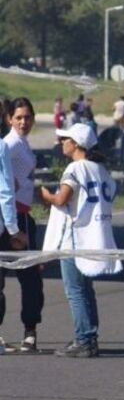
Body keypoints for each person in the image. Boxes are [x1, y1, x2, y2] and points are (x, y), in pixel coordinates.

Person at [41, 124, 122, 358]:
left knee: (75, 291)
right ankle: (89, 336)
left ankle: (84, 339)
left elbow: (62, 198)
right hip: (95, 236)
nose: (61, 142)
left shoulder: (75, 169)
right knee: (86, 289)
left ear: (75, 143)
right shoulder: (101, 170)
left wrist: (47, 196)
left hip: (74, 238)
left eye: (65, 139)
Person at [0, 98, 44, 353]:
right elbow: (6, 187)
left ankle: (30, 331)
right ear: (9, 120)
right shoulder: (9, 144)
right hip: (11, 218)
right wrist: (13, 228)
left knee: (30, 278)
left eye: (27, 117)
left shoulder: (24, 145)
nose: (23, 122)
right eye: (18, 118)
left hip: (23, 214)